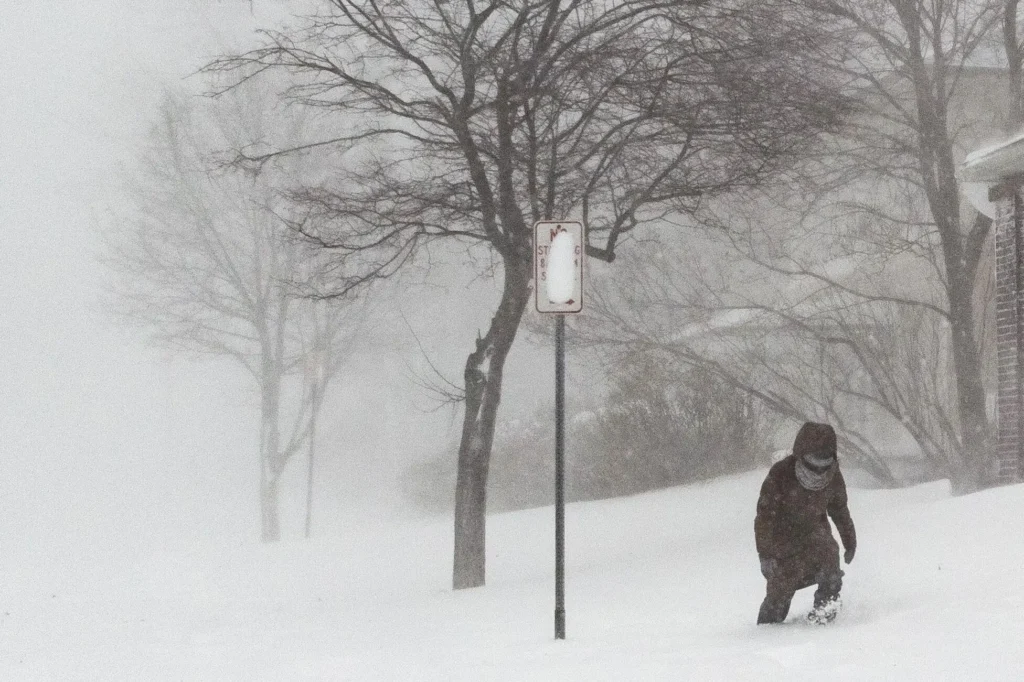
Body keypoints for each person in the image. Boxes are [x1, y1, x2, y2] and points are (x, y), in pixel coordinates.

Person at [754, 422, 856, 625]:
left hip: (816, 535)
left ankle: (825, 614)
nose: (819, 470)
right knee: (779, 593)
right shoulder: (780, 474)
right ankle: (766, 634)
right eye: (812, 462)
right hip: (782, 540)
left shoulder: (833, 475)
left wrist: (849, 540)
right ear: (800, 455)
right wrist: (765, 554)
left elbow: (839, 510)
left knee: (830, 566)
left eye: (824, 464)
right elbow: (764, 517)